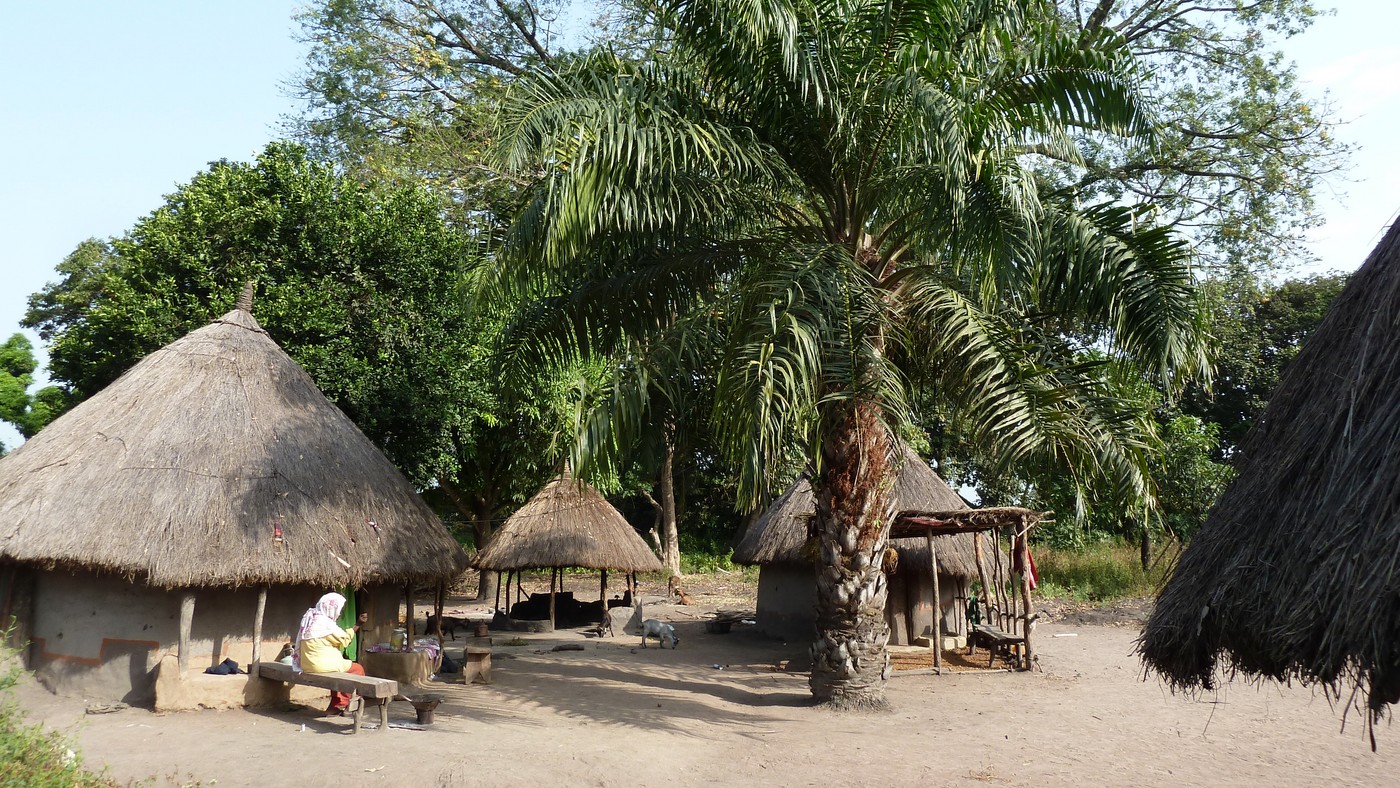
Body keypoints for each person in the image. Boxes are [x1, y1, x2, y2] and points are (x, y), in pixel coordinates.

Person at [294, 592, 370, 716]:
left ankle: (334, 706)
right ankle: (346, 704)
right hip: (321, 665)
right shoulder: (326, 625)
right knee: (358, 669)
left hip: (307, 664)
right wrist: (358, 624)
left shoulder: (310, 618)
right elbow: (345, 640)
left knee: (339, 671)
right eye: (339, 610)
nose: (340, 614)